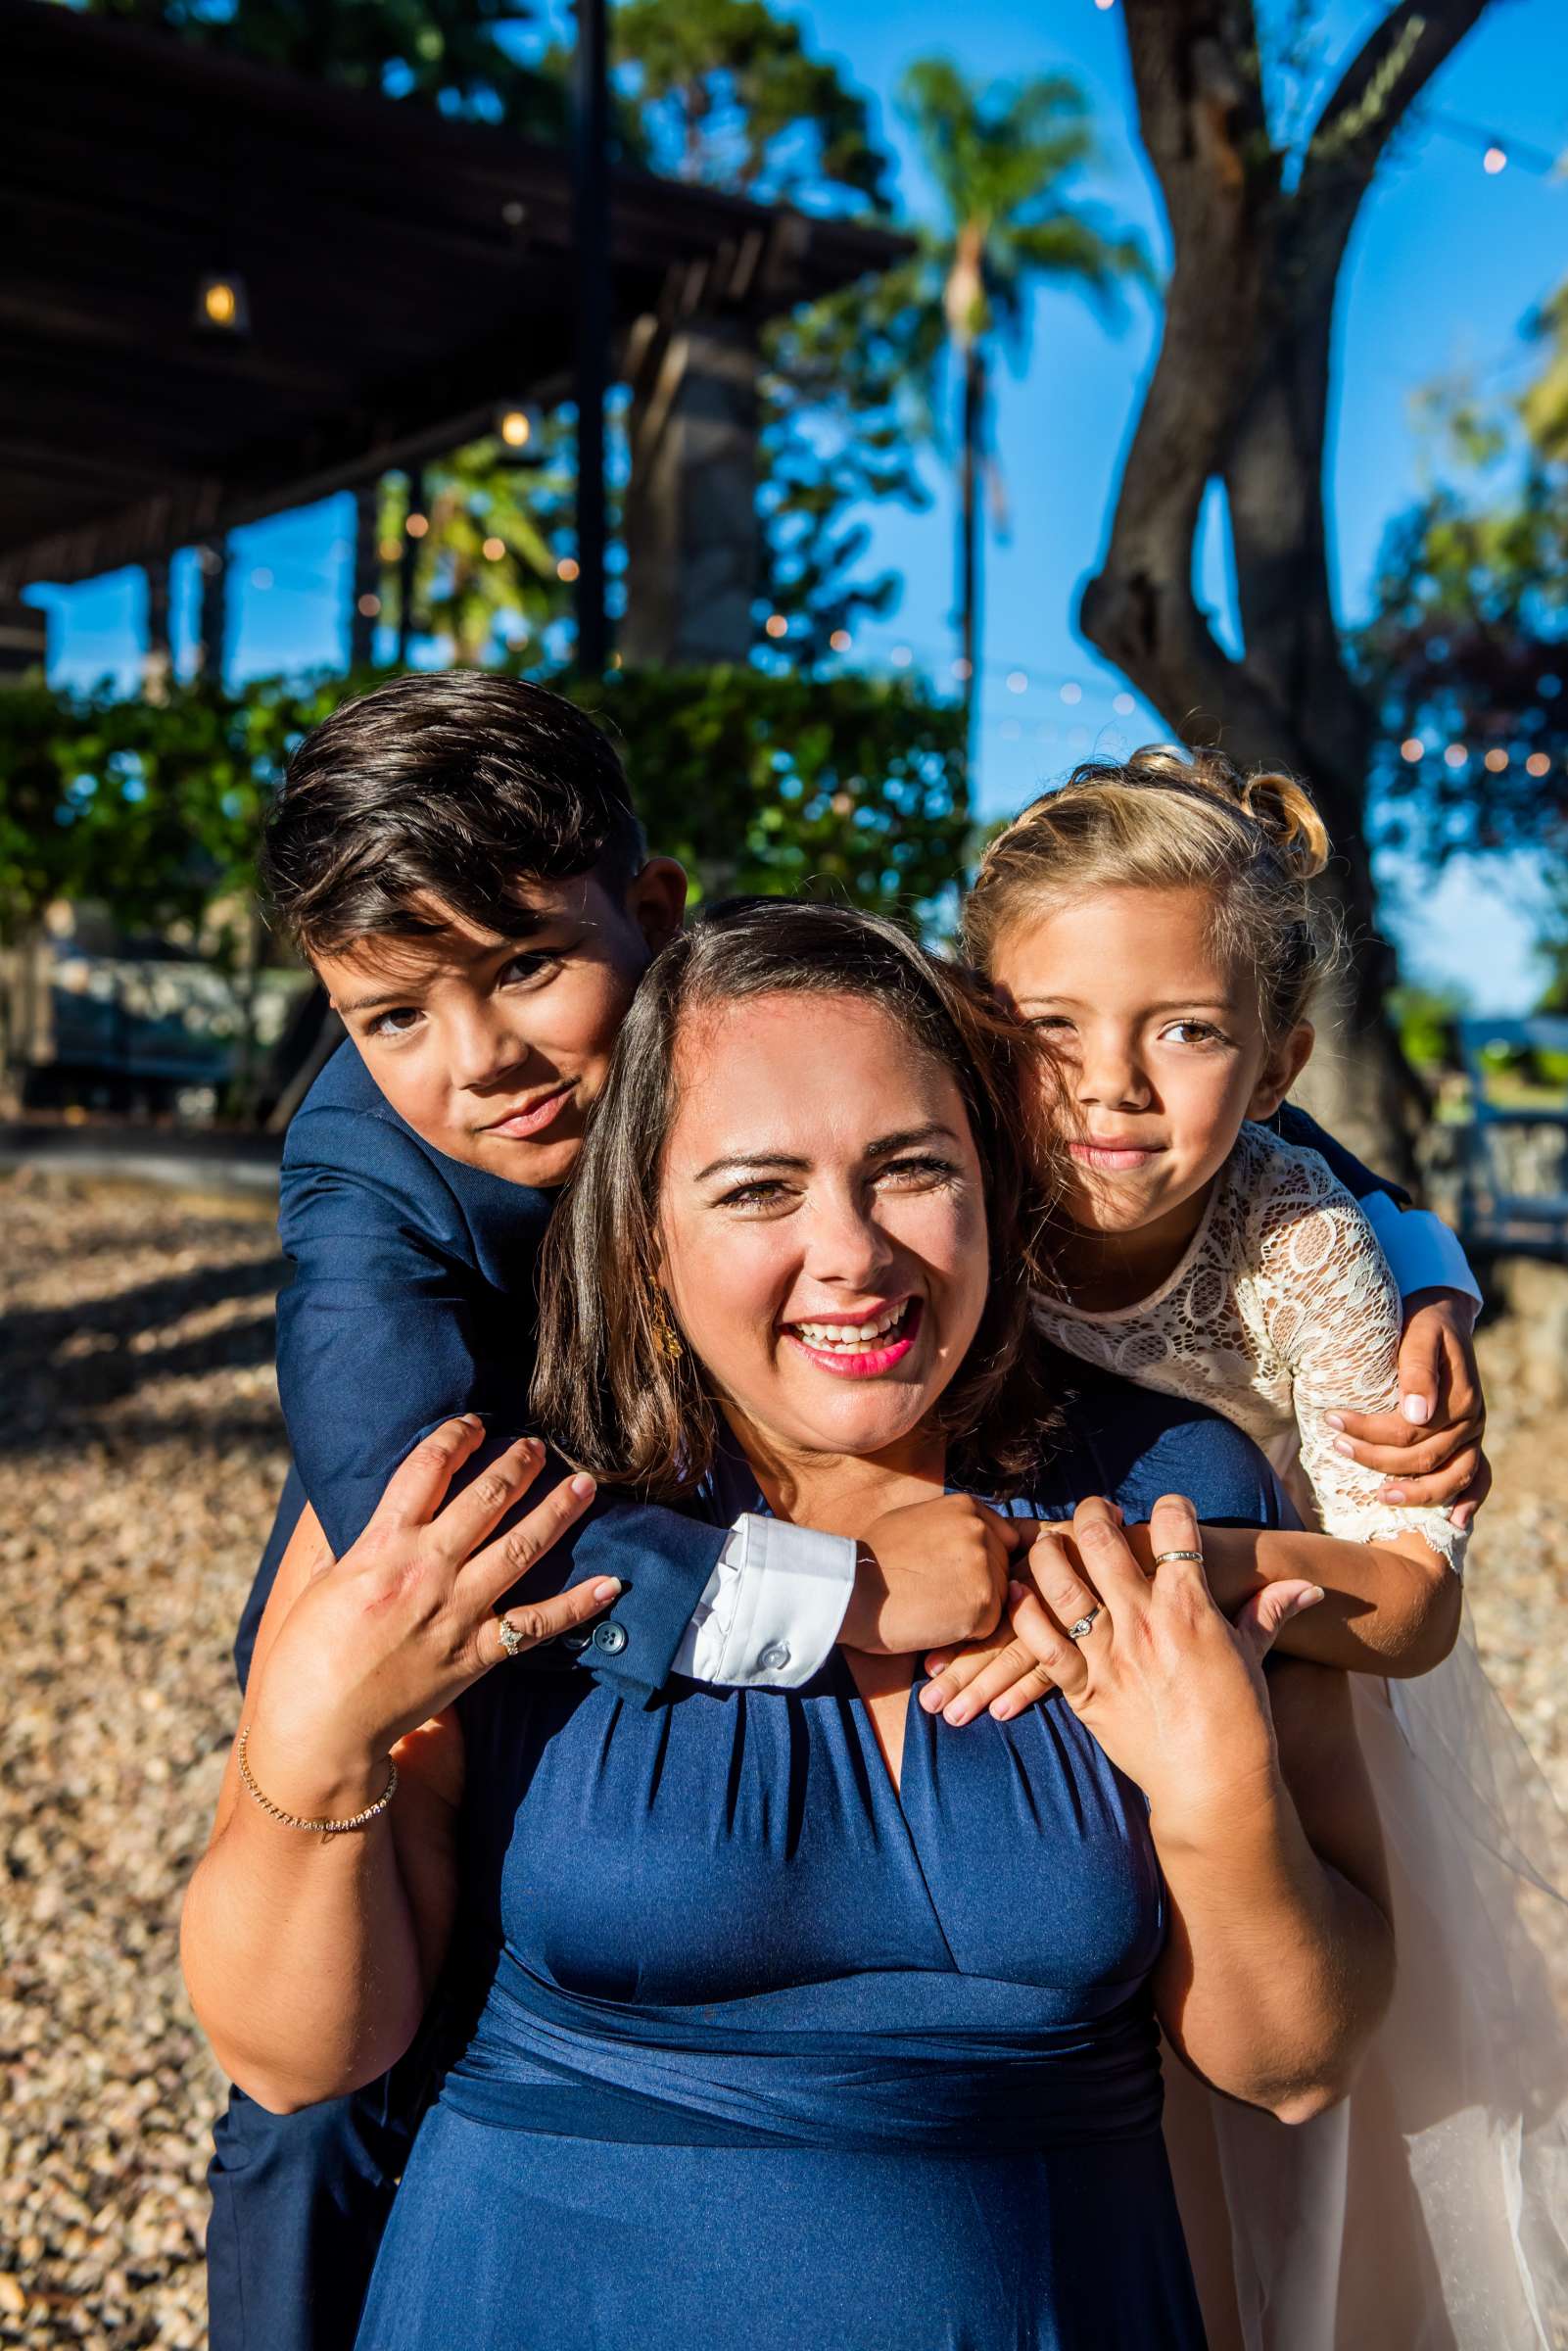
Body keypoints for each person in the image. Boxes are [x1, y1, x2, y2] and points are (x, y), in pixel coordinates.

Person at [186, 900, 1488, 2348]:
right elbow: (296, 2054)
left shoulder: (1179, 1487)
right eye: (754, 1191)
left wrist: (1213, 1790)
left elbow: (1293, 2064)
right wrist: (309, 1748)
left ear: (996, 1178)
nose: (851, 1254)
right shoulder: (502, 1497)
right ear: (642, 1232)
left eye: (910, 1170)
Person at [209, 670, 1036, 2351]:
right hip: (504, 1552)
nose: (480, 1060)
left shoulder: (760, 1015)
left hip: (714, 1481)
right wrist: (823, 1596)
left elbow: (1102, 1081)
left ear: (651, 909)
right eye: (394, 1014)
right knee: (321, 2087)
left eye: (526, 966)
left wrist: (1391, 1254)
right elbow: (407, 1504)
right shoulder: (365, 1171)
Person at [942, 745, 1568, 2348]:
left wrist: (1206, 1571)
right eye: (1049, 1031)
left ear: (1277, 1061)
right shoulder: (953, 1166)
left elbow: (1415, 1597)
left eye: (1188, 1034)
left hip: (1281, 1679)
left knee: (1274, 2152)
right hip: (1018, 1658)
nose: (1110, 1088)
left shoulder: (1297, 1243)